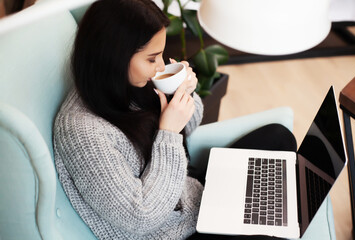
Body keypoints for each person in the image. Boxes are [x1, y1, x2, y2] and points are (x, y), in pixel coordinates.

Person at [53, 0, 296, 239]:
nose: (160, 66)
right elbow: (141, 217)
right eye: (152, 58)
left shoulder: (125, 82)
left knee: (278, 137)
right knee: (266, 230)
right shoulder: (82, 131)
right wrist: (167, 132)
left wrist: (183, 94)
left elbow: (190, 127)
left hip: (188, 196)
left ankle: (275, 213)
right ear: (113, 56)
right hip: (174, 232)